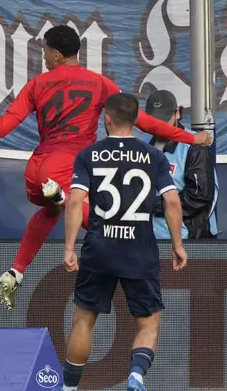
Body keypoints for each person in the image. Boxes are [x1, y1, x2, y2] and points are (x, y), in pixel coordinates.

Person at [0, 24, 211, 310]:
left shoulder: (36, 85)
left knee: (52, 211)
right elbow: (144, 121)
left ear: (57, 54)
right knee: (99, 220)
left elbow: (0, 129)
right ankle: (71, 208)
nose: (43, 56)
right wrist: (190, 137)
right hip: (68, 166)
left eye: (45, 50)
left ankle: (17, 270)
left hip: (36, 170)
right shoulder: (99, 83)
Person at [62, 93, 187, 391]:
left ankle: (68, 389)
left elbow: (75, 201)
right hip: (139, 250)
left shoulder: (89, 154)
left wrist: (68, 247)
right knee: (148, 323)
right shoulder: (154, 156)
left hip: (100, 248)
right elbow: (172, 202)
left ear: (106, 119)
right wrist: (177, 244)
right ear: (136, 122)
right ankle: (136, 375)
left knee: (83, 321)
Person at [145, 90, 218, 239]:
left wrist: (155, 205)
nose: (159, 125)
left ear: (177, 113)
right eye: (154, 120)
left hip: (188, 239)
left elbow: (199, 197)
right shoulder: (145, 149)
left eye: (164, 119)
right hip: (152, 240)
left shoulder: (195, 147)